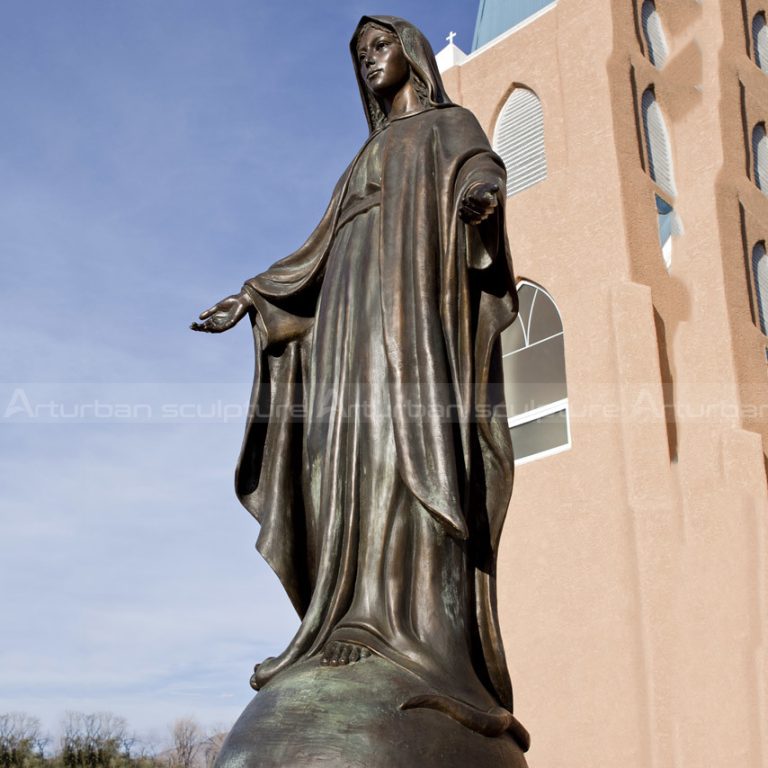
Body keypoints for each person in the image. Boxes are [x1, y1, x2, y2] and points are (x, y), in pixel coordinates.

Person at [192, 15, 525, 746]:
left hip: (412, 318)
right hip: (348, 324)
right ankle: (345, 618)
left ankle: (414, 636)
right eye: (362, 55)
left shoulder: (449, 124)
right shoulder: (367, 155)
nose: (372, 62)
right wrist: (255, 296)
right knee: (342, 463)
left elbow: (482, 169)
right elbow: (314, 252)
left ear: (410, 55)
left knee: (403, 452)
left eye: (382, 48)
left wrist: (480, 200)